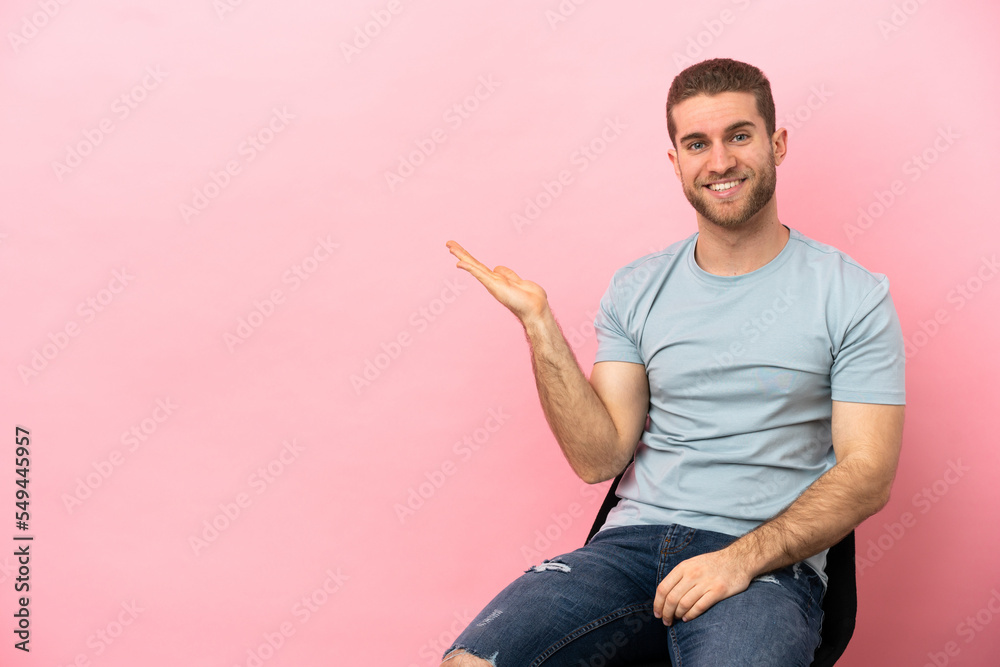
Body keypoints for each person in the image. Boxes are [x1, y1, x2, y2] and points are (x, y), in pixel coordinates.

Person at [440, 58, 905, 666]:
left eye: (739, 135)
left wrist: (739, 559)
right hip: (628, 549)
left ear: (777, 143)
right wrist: (540, 327)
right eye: (696, 144)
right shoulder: (636, 288)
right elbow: (598, 456)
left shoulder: (853, 295)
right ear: (675, 161)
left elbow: (868, 472)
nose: (719, 162)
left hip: (763, 563)